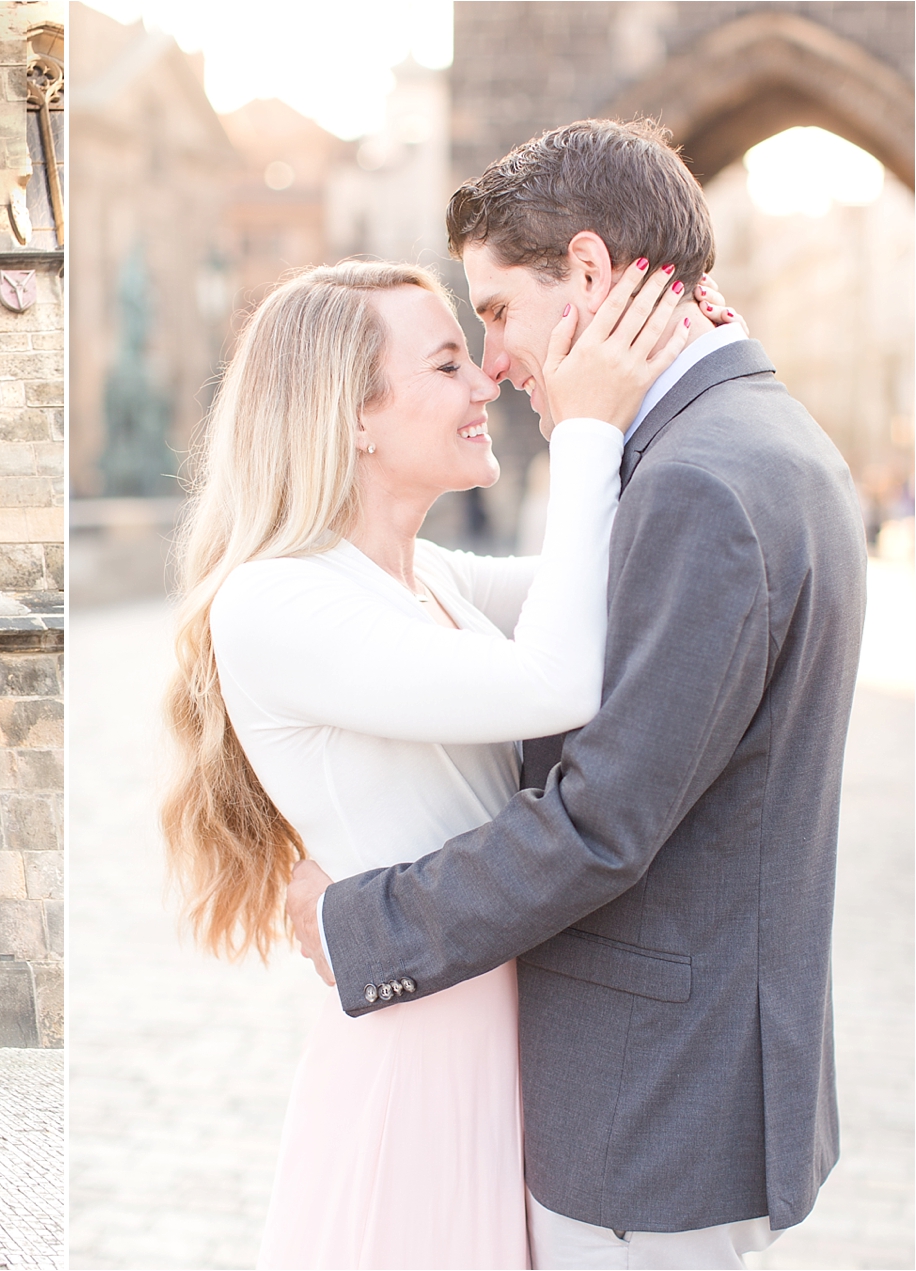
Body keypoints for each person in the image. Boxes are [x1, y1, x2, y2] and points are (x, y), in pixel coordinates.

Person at [285, 119, 866, 1268]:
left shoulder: (694, 480)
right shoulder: (764, 439)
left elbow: (602, 823)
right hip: (686, 1084)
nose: (493, 363)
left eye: (496, 311)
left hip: (642, 1112)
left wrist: (354, 922)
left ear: (588, 275)